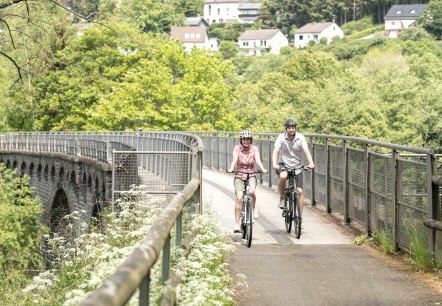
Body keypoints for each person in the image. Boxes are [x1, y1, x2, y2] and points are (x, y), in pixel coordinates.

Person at [272, 119, 315, 216]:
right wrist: (275, 163)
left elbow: (306, 151)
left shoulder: (300, 137)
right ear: (286, 129)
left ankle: (300, 217)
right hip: (284, 164)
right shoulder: (281, 137)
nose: (291, 130)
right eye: (289, 128)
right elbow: (276, 151)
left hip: (297, 166)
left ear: (295, 128)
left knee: (300, 191)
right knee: (283, 176)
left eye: (293, 128)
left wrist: (311, 163)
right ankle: (282, 198)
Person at [228, 130, 268, 233]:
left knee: (251, 192)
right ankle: (237, 224)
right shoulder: (237, 148)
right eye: (244, 140)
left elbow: (258, 160)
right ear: (241, 140)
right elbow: (235, 159)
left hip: (251, 174)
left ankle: (254, 208)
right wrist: (231, 168)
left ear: (250, 140)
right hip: (239, 175)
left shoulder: (254, 149)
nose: (246, 142)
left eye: (248, 140)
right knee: (239, 198)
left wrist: (262, 169)